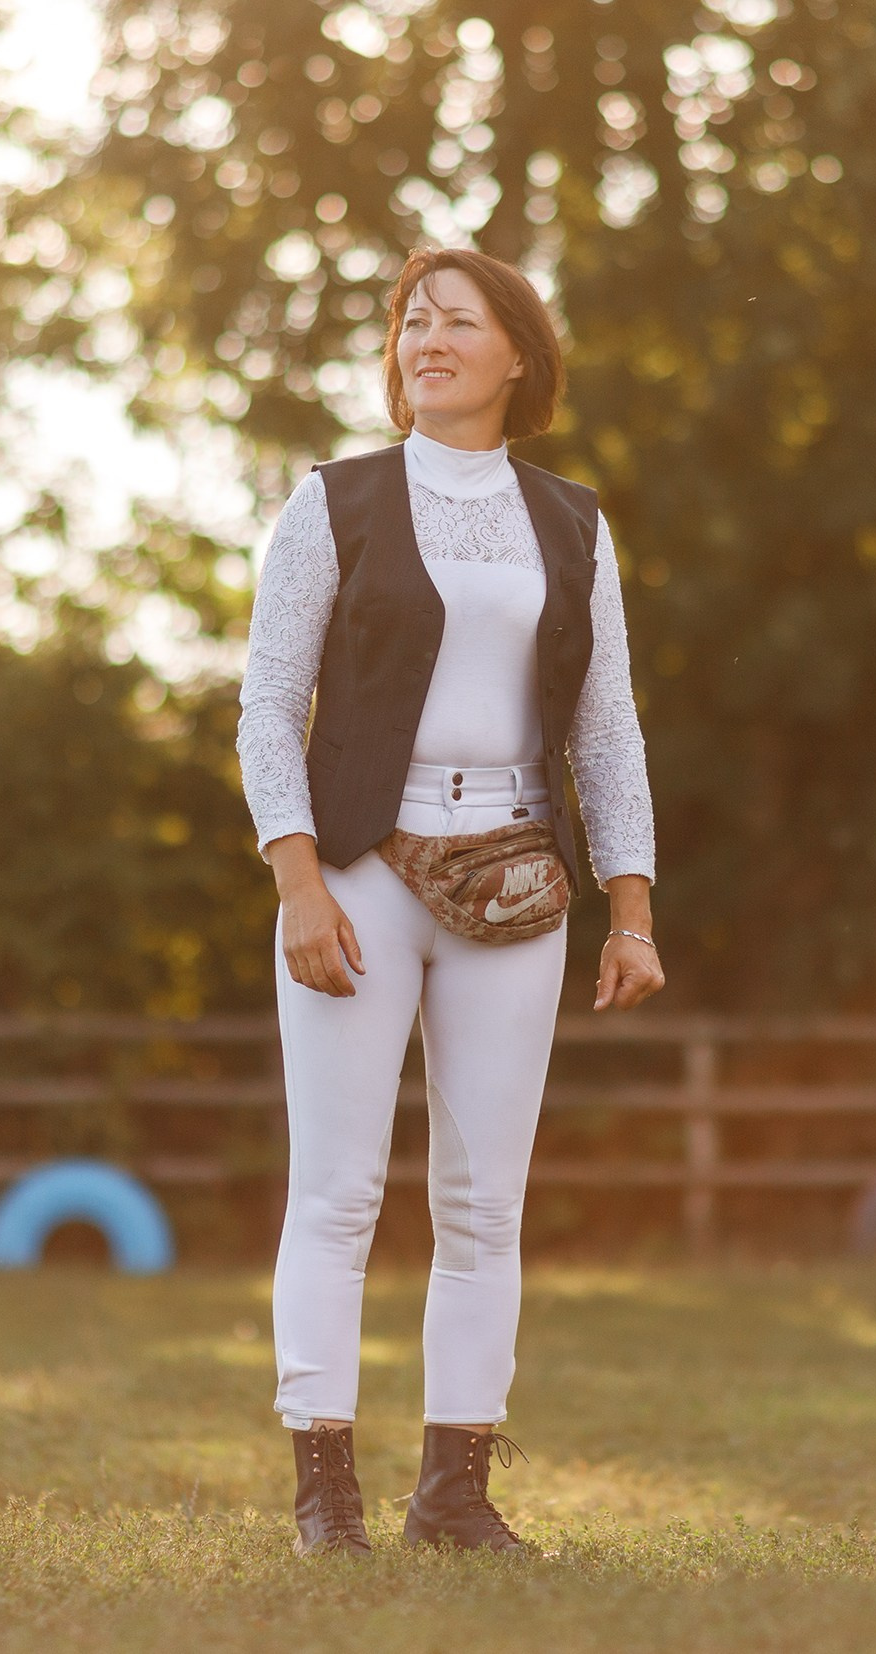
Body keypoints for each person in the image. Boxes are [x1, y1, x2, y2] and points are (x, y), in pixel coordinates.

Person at [235, 245, 664, 1559]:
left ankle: (455, 1495)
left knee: (484, 1201)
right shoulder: (333, 503)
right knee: (340, 1191)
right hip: (358, 867)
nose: (427, 334)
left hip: (516, 879)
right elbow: (265, 706)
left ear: (514, 356)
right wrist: (298, 877)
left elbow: (607, 733)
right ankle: (326, 1497)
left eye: (457, 319)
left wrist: (631, 907)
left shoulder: (572, 525)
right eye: (411, 318)